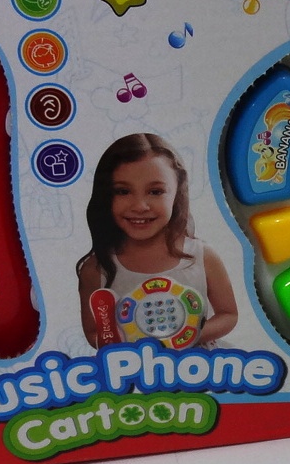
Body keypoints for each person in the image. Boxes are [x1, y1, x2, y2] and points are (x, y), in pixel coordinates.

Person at [76, 133, 238, 347]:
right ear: (106, 196)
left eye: (155, 191)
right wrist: (127, 344)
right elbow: (93, 332)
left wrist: (186, 337)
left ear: (177, 193)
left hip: (201, 364)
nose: (140, 206)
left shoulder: (202, 256)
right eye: (123, 191)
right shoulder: (95, 269)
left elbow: (228, 314)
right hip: (134, 366)